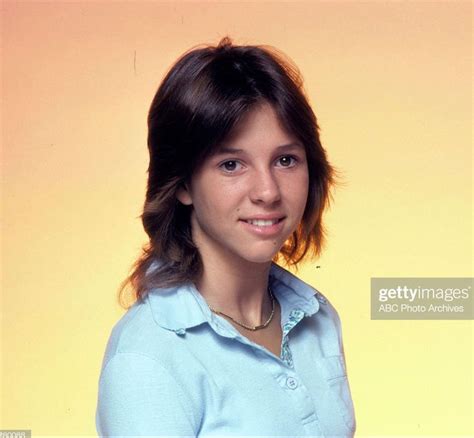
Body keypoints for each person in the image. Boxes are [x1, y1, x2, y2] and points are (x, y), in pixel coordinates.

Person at [95, 36, 356, 437]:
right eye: (232, 164)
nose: (267, 191)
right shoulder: (148, 358)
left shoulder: (317, 319)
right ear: (182, 184)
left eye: (285, 160)